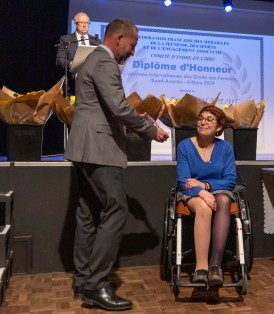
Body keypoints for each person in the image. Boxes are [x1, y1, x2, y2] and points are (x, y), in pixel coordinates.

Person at [64, 19, 169, 310]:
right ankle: (96, 285)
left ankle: (85, 281)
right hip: (99, 149)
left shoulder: (94, 60)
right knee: (117, 209)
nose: (132, 52)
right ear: (119, 38)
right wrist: (150, 129)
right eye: (132, 45)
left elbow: (109, 107)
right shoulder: (104, 62)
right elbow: (117, 107)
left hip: (87, 148)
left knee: (87, 214)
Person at [176, 105, 236, 287]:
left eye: (209, 119)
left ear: (219, 127)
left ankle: (215, 266)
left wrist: (206, 185)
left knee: (224, 199)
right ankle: (201, 268)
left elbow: (230, 180)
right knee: (204, 206)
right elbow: (183, 181)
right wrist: (201, 192)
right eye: (201, 118)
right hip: (191, 192)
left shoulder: (225, 148)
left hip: (217, 190)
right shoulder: (185, 146)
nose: (203, 122)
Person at [56, 12, 102, 95]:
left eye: (87, 23)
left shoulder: (96, 41)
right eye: (82, 22)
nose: (85, 25)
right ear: (75, 24)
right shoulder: (66, 40)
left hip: (91, 85)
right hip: (72, 84)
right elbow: (60, 61)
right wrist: (70, 64)